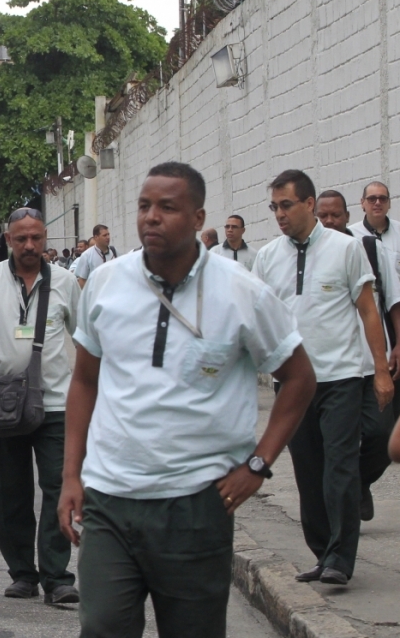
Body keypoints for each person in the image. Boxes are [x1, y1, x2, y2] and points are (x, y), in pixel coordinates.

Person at [60, 162, 316, 637]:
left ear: (198, 218)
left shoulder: (242, 292)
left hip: (196, 505)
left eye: (167, 207)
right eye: (144, 206)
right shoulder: (106, 282)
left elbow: (299, 378)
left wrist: (258, 465)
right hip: (110, 499)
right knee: (101, 626)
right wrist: (72, 474)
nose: (151, 217)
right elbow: (84, 382)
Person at [252, 169, 392, 586]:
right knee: (308, 473)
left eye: (287, 205)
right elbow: (258, 318)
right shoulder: (268, 257)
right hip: (293, 385)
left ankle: (341, 559)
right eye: (274, 207)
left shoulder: (345, 248)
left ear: (309, 204)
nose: (280, 214)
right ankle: (323, 553)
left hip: (341, 377)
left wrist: (380, 370)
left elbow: (368, 311)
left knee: (340, 469)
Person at [0, 209, 80, 604]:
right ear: (8, 239)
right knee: (9, 493)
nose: (29, 245)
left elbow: (87, 337)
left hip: (55, 405)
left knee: (58, 487)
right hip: (2, 404)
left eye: (36, 238)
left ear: (45, 239)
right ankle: (22, 572)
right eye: (21, 238)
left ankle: (57, 577)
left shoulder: (66, 282)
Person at [316, 190, 400, 521]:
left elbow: (395, 300)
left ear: (347, 216)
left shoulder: (369, 248)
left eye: (335, 215)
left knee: (383, 436)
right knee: (335, 444)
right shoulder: (309, 255)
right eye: (323, 216)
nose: (329, 221)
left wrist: (399, 345)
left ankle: (357, 483)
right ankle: (340, 508)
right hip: (333, 367)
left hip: (372, 363)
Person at [350, 182, 400, 416]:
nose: (377, 203)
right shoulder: (352, 236)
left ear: (389, 203)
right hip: (368, 317)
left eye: (382, 199)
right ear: (362, 203)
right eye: (372, 199)